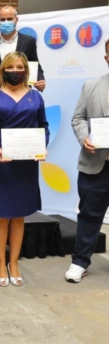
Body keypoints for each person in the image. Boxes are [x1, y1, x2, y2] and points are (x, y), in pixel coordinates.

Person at [0, 51, 49, 287]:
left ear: (26, 70)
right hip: (0, 161)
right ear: (3, 70)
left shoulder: (35, 97)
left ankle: (14, 262)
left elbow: (44, 126)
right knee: (0, 213)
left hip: (25, 163)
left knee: (18, 214)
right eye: (11, 67)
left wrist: (42, 145)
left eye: (20, 67)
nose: (15, 71)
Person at [66, 39, 109, 283]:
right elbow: (78, 118)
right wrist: (84, 139)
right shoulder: (92, 85)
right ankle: (80, 262)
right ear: (106, 58)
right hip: (96, 164)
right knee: (90, 215)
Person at [0, 5, 46, 92]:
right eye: (2, 20)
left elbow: (34, 65)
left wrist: (40, 80)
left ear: (16, 20)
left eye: (9, 19)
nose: (6, 22)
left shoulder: (29, 41)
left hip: (23, 93)